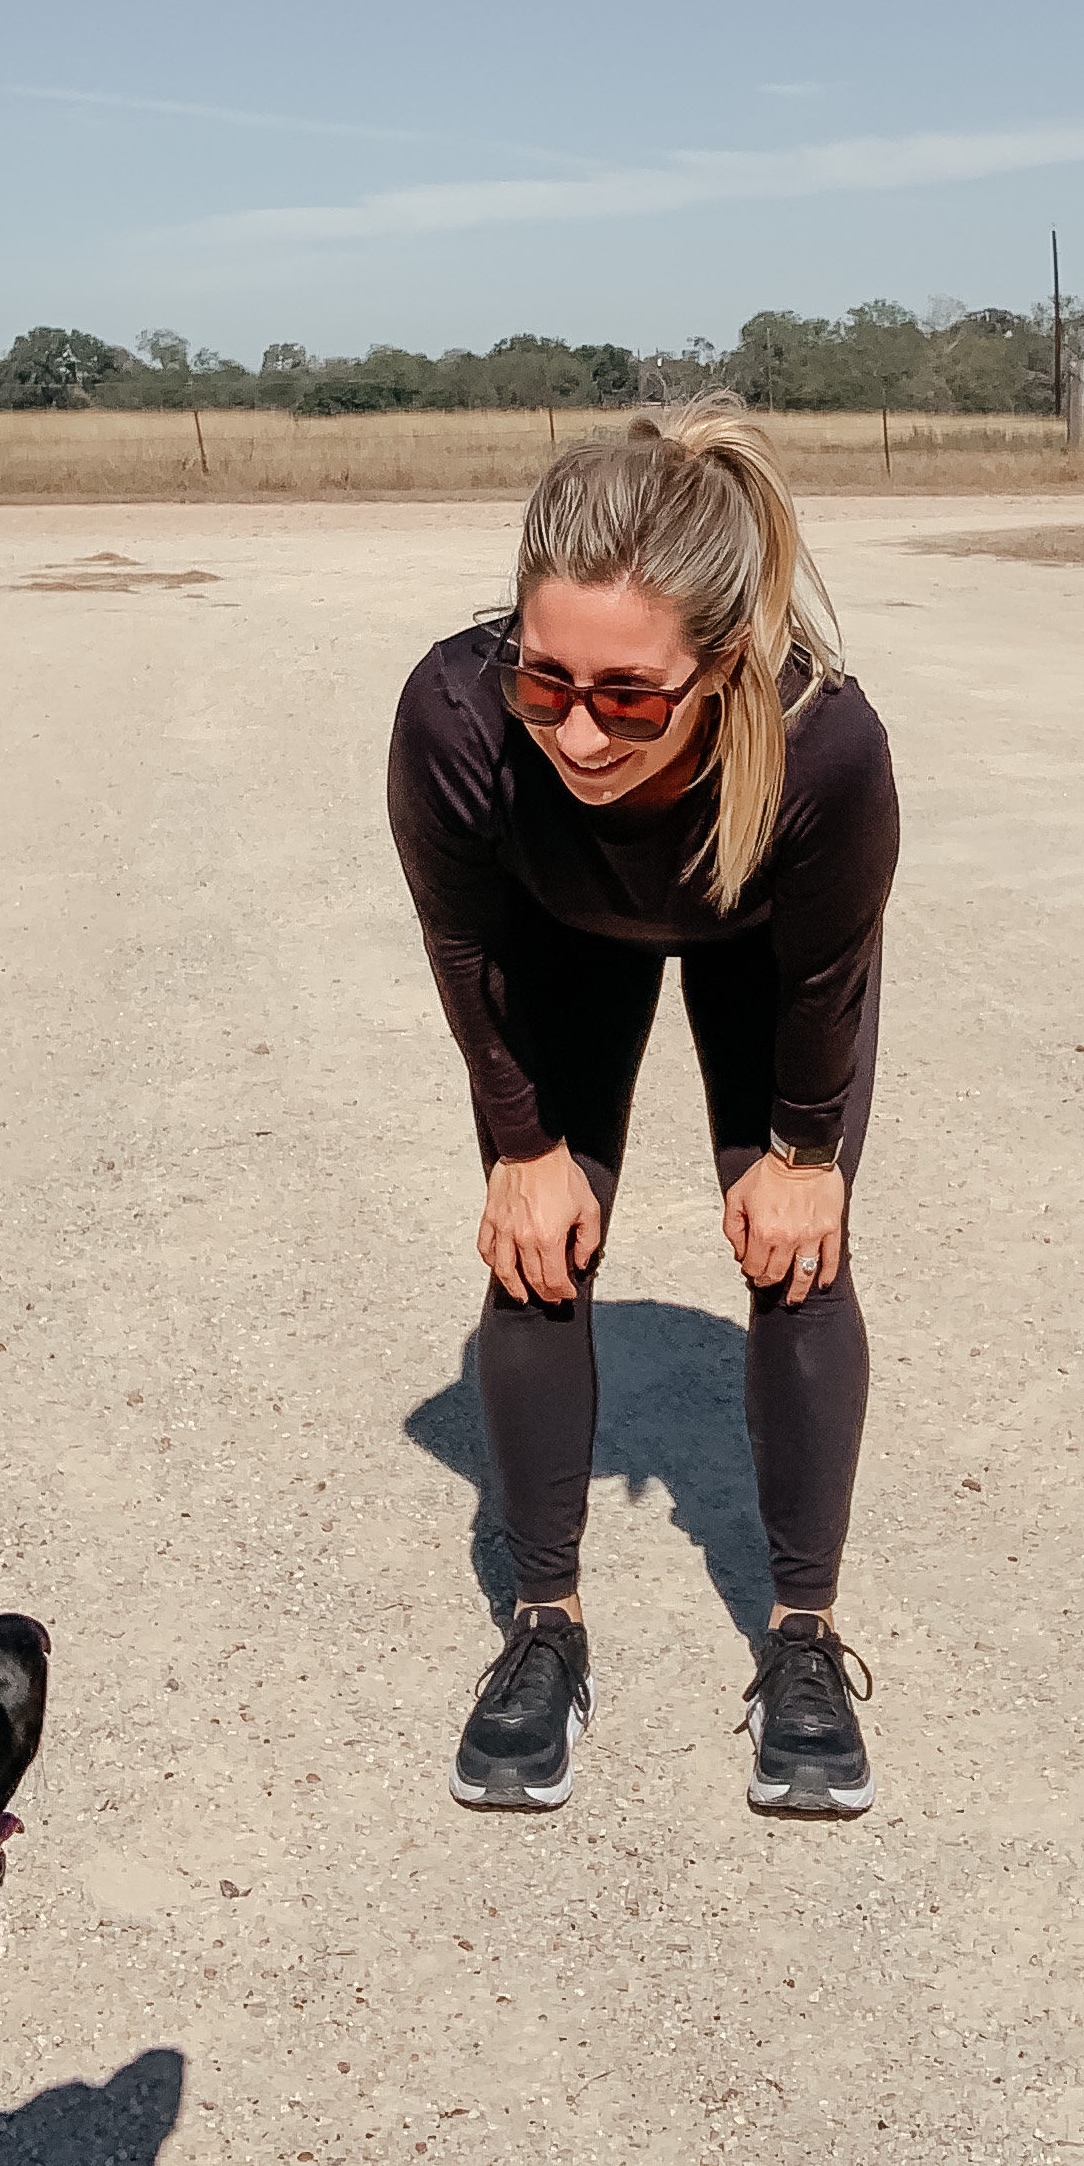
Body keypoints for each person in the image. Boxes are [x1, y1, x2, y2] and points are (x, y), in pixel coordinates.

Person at [387, 396, 900, 1818]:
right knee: (538, 1247)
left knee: (799, 1256)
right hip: (557, 944)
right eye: (545, 679)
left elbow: (829, 976)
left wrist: (802, 1152)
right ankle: (544, 1625)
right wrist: (521, 1145)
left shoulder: (825, 743)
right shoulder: (453, 715)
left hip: (765, 958)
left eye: (628, 697)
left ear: (722, 665)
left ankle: (804, 1639)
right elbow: (462, 944)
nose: (577, 731)